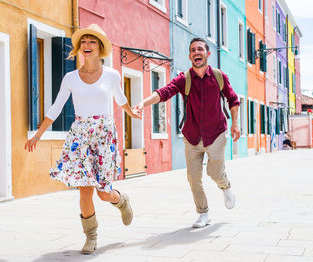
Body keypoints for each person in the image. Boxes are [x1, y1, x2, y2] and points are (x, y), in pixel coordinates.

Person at [25, 24, 141, 254]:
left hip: (104, 135)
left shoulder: (112, 75)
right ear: (79, 48)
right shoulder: (70, 78)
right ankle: (91, 236)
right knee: (85, 189)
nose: (87, 46)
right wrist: (38, 134)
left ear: (100, 48)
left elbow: (121, 99)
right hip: (80, 136)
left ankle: (122, 200)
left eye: (92, 42)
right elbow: (56, 107)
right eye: (84, 42)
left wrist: (131, 113)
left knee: (103, 192)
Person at [134, 38, 240, 228]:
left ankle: (225, 186)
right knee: (193, 177)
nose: (196, 52)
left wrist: (236, 124)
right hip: (192, 136)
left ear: (207, 54)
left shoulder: (218, 76)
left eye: (200, 49)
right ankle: (203, 213)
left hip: (216, 133)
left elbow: (233, 100)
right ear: (190, 55)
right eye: (193, 50)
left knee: (214, 171)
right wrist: (143, 103)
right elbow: (165, 92)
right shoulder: (184, 79)